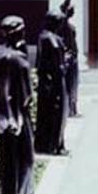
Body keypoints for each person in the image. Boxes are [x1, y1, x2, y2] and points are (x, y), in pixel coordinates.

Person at [0, 15, 35, 194]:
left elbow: (1, 91)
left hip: (7, 115)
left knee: (12, 161)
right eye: (22, 29)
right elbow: (25, 95)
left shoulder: (2, 55)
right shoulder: (17, 59)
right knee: (24, 159)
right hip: (17, 117)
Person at [34, 9, 69, 155]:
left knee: (55, 112)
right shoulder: (49, 38)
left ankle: (54, 143)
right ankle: (53, 145)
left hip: (52, 80)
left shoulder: (46, 37)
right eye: (59, 22)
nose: (61, 25)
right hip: (53, 81)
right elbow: (53, 62)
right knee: (55, 112)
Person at [59, 0, 79, 117]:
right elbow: (64, 6)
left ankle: (73, 109)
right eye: (71, 9)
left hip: (73, 57)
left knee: (74, 84)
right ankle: (69, 109)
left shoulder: (69, 26)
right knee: (69, 83)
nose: (73, 11)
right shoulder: (63, 24)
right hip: (69, 58)